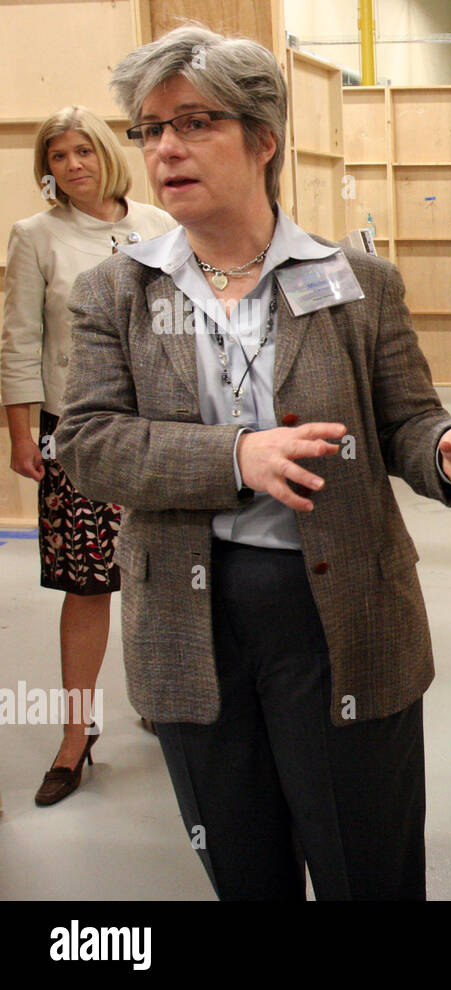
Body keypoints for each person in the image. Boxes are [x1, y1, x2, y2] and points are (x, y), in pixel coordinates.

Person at [55, 25, 451, 899]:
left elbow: (405, 419)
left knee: (368, 864)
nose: (165, 147)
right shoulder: (115, 292)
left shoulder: (358, 282)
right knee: (244, 867)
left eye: (195, 122)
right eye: (149, 128)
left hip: (341, 615)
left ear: (263, 138)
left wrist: (444, 448)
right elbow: (89, 445)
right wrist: (236, 456)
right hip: (188, 614)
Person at [2, 106, 175, 806]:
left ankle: (161, 699)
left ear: (107, 154)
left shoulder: (159, 228)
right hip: (74, 433)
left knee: (163, 574)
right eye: (58, 156)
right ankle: (76, 735)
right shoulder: (34, 236)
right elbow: (18, 342)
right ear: (46, 169)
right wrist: (20, 434)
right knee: (87, 583)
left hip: (157, 429)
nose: (72, 165)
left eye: (83, 151)